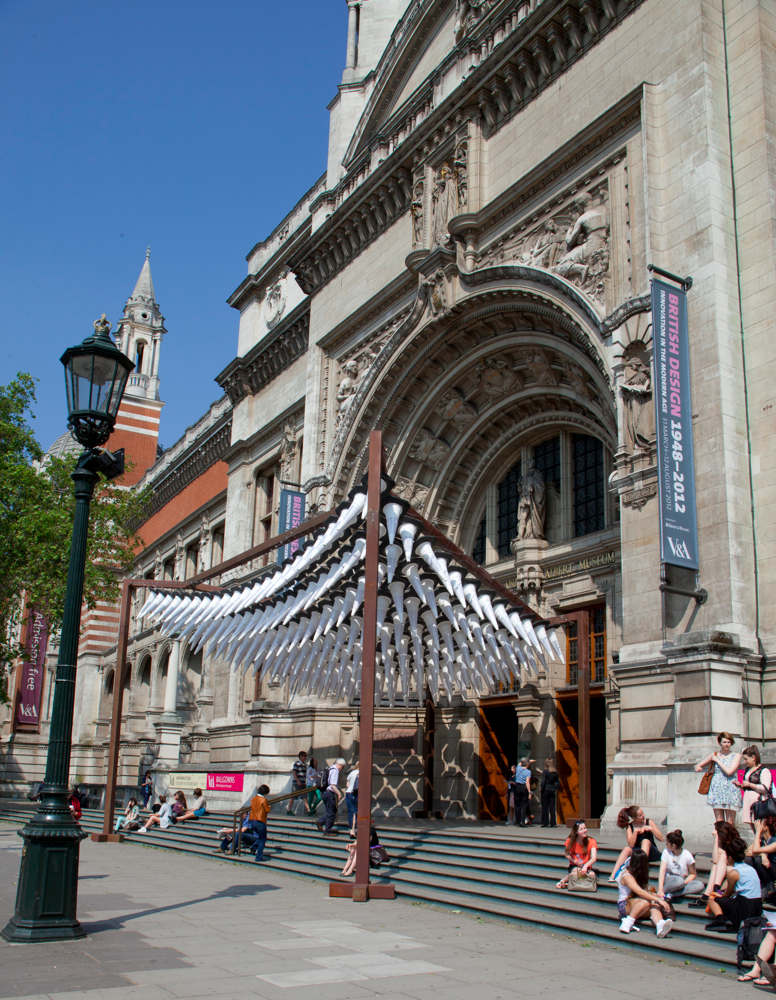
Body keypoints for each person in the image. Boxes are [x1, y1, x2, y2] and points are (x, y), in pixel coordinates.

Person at [705, 836, 762, 932]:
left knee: (712, 900)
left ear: (730, 858)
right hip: (757, 907)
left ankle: (720, 920)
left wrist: (719, 895)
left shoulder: (734, 873)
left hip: (745, 907)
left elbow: (728, 893)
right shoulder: (751, 869)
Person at [617, 848, 674, 938]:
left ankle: (660, 926)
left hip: (637, 904)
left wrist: (655, 896)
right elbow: (639, 891)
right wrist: (658, 899)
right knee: (646, 902)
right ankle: (627, 922)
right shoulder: (627, 876)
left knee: (655, 906)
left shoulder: (639, 875)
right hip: (624, 905)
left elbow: (643, 892)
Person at [688, 819, 739, 908]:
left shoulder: (735, 841)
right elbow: (715, 859)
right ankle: (712, 891)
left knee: (722, 857)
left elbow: (733, 861)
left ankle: (708, 894)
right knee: (716, 865)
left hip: (734, 869)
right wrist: (716, 840)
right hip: (723, 869)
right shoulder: (720, 841)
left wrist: (723, 853)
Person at [694, 730, 742, 823]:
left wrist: (718, 760)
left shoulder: (736, 755)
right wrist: (698, 767)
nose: (727, 744)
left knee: (730, 822)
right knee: (719, 822)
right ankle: (720, 837)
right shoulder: (714, 755)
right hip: (717, 788)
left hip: (731, 787)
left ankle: (730, 838)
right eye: (724, 742)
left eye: (729, 742)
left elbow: (729, 771)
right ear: (720, 743)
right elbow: (698, 765)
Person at [608, 805, 663, 880]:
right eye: (640, 815)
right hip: (638, 852)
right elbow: (631, 844)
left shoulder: (648, 822)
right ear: (634, 818)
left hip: (652, 853)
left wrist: (651, 829)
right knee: (626, 849)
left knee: (645, 841)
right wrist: (635, 832)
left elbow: (661, 838)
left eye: (642, 813)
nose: (643, 815)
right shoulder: (629, 826)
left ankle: (641, 871)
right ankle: (613, 875)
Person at [735, 745, 772, 834]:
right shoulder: (748, 769)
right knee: (754, 828)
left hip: (759, 802)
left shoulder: (764, 770)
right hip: (748, 800)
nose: (744, 761)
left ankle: (762, 845)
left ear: (753, 758)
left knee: (761, 828)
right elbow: (748, 788)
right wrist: (740, 786)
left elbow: (765, 788)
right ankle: (757, 844)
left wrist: (749, 784)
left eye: (746, 759)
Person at [656, 830, 704, 899]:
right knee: (678, 881)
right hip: (670, 880)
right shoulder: (666, 852)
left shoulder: (687, 855)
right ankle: (662, 892)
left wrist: (683, 883)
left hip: (682, 881)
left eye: (667, 843)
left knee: (700, 885)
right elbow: (662, 871)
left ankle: (671, 894)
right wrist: (660, 889)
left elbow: (693, 874)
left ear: (673, 846)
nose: (666, 845)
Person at [556, 820, 597, 889]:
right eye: (581, 829)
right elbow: (566, 854)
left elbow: (594, 858)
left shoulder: (591, 841)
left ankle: (568, 882)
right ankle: (564, 881)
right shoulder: (570, 841)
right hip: (574, 865)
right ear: (576, 832)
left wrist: (586, 866)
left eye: (585, 828)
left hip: (586, 866)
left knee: (592, 874)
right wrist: (574, 861)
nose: (584, 831)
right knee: (577, 872)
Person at [316, 758, 345, 836]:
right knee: (332, 813)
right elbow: (332, 785)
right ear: (340, 765)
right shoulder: (335, 771)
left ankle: (321, 821)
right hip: (329, 794)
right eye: (343, 767)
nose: (342, 769)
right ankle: (327, 831)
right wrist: (339, 793)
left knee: (331, 811)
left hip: (324, 793)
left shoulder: (329, 768)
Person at [244, 784, 272, 862]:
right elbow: (267, 810)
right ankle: (258, 857)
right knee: (263, 839)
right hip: (260, 821)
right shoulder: (263, 800)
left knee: (260, 837)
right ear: (265, 793)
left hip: (252, 820)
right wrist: (269, 806)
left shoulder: (253, 799)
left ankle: (254, 847)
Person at [511, 757, 532, 828]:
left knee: (517, 805)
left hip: (517, 786)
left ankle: (517, 821)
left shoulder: (518, 768)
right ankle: (522, 821)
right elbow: (527, 782)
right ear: (527, 764)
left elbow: (520, 763)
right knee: (524, 805)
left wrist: (527, 761)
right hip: (524, 787)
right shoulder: (528, 772)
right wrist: (529, 792)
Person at [541, 758, 560, 827]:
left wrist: (541, 787)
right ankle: (553, 823)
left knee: (545, 807)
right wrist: (555, 788)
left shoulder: (545, 771)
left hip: (546, 789)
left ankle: (545, 822)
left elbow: (543, 781)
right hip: (552, 790)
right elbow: (558, 782)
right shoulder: (555, 772)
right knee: (552, 807)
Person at [288, 749, 308, 815]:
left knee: (304, 797)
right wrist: (297, 781)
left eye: (306, 756)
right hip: (296, 783)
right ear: (300, 756)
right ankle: (289, 810)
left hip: (303, 783)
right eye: (304, 756)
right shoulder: (297, 763)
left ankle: (309, 810)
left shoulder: (304, 764)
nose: (305, 757)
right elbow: (294, 772)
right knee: (293, 797)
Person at [345, 764, 359, 839]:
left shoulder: (351, 773)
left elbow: (347, 785)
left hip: (348, 793)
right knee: (356, 812)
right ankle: (354, 830)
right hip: (356, 793)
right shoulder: (361, 773)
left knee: (351, 812)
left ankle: (352, 830)